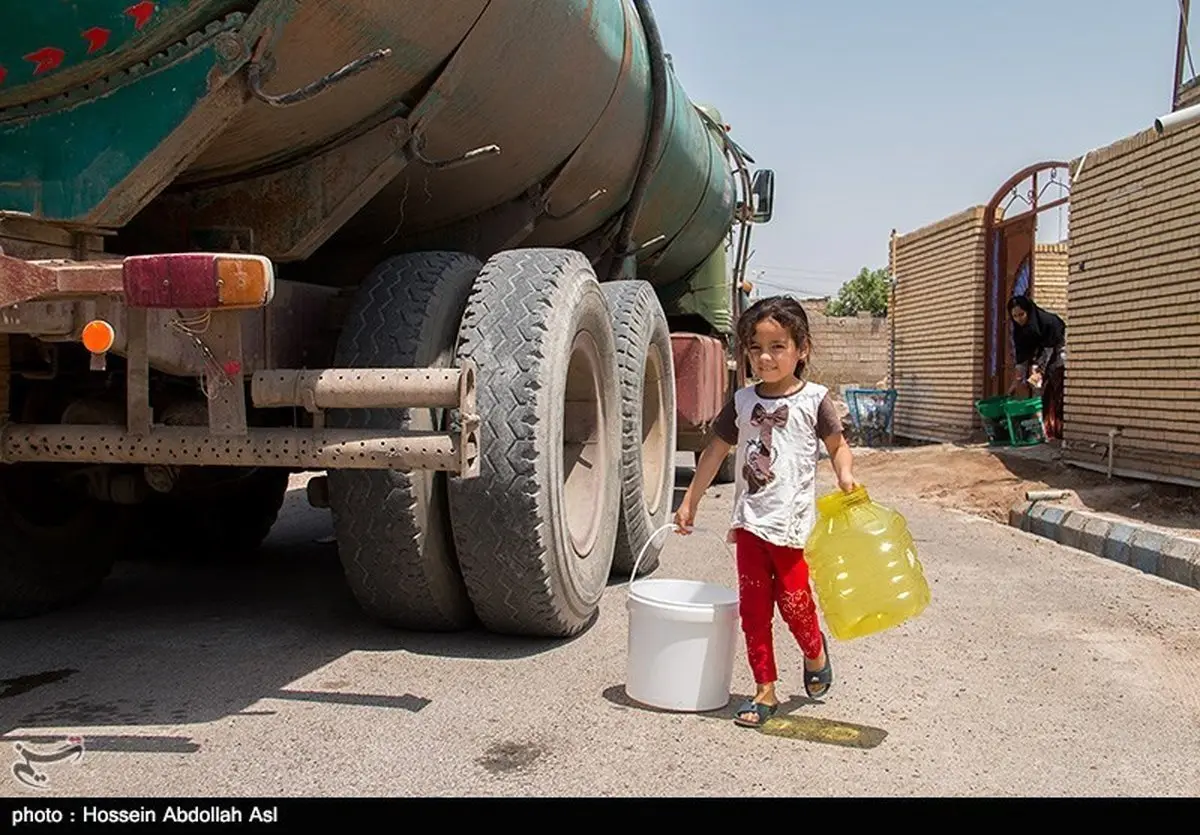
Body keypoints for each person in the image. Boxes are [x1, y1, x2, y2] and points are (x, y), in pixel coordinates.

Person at [673, 295, 857, 728]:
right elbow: (715, 452)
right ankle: (764, 690)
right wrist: (690, 499)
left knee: (794, 604)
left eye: (777, 346)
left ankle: (814, 651)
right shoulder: (740, 402)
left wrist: (846, 476)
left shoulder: (814, 400)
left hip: (791, 528)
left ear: (801, 348)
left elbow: (837, 446)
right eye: (756, 348)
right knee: (754, 610)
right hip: (750, 524)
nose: (766, 357)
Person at [1006, 294, 1066, 440]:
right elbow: (1022, 356)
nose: (1019, 319)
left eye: (1021, 314)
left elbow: (1051, 349)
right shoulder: (1019, 331)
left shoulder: (1048, 323)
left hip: (1059, 354)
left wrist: (1040, 371)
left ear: (1028, 311)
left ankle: (1058, 431)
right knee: (1040, 391)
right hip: (1043, 357)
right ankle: (1044, 431)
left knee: (1057, 394)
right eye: (1015, 316)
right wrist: (1017, 380)